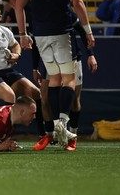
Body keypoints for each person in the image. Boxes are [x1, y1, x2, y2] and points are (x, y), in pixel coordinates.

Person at [14, 0, 95, 147]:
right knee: (69, 79)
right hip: (61, 32)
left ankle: (57, 124)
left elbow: (18, 5)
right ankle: (62, 122)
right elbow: (77, 3)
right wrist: (88, 30)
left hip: (40, 36)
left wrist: (23, 34)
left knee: (55, 80)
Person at [32, 17, 98, 151]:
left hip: (72, 57)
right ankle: (50, 134)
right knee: (44, 98)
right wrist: (35, 67)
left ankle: (72, 137)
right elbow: (35, 41)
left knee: (74, 99)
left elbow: (82, 31)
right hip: (50, 59)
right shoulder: (39, 13)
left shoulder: (66, 12)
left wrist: (90, 55)